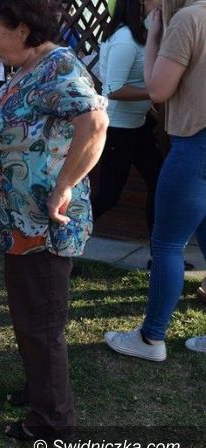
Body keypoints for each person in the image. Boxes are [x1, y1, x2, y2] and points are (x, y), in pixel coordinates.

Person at [0, 0, 108, 439]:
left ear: (22, 29)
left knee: (41, 322)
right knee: (28, 314)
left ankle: (53, 420)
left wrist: (64, 186)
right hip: (19, 221)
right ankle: (40, 389)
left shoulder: (59, 66)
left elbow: (95, 123)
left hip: (43, 223)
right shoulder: (27, 68)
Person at [105, 0, 206, 359]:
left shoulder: (189, 19)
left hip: (195, 144)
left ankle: (151, 339)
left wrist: (154, 38)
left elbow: (158, 90)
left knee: (166, 245)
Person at [91, 0, 163, 261]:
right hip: (117, 130)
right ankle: (58, 243)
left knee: (159, 182)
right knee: (108, 196)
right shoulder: (124, 39)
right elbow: (114, 89)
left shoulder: (143, 35)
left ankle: (159, 255)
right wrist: (156, 92)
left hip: (137, 127)